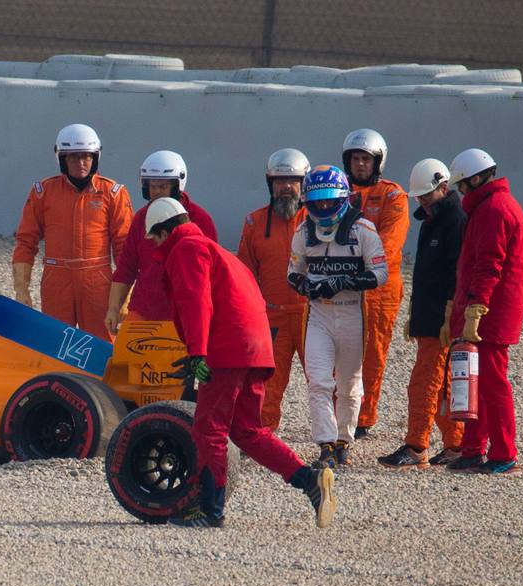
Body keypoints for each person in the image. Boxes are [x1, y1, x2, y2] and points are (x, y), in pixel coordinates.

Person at [144, 196, 337, 529]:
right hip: (257, 346)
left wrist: (197, 353)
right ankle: (309, 480)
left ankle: (210, 511)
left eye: (156, 237)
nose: (156, 245)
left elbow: (196, 302)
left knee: (209, 428)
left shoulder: (185, 249)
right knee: (248, 431)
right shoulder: (216, 251)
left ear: (165, 230)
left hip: (227, 348)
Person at [288, 165, 389, 468]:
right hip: (318, 314)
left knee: (349, 383)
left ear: (342, 197)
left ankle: (345, 438)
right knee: (317, 382)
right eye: (316, 202)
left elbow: (381, 274)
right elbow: (293, 273)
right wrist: (306, 285)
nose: (323, 206)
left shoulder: (363, 230)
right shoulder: (303, 231)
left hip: (352, 313)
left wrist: (345, 282)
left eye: (329, 200)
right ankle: (326, 443)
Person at [442, 148, 523, 475]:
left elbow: (489, 264)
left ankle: (504, 453)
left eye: (462, 185)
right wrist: (459, 306)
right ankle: (473, 449)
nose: (461, 192)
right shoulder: (489, 207)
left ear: (476, 179)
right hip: (486, 306)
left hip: (491, 310)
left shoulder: (494, 210)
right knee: (476, 382)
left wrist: (476, 308)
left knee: (492, 384)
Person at [377, 159, 466, 469]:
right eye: (419, 197)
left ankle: (416, 447)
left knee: (424, 383)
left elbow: (457, 271)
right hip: (431, 315)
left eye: (426, 196)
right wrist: (416, 314)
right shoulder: (437, 218)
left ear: (444, 187)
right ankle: (456, 445)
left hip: (441, 318)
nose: (422, 202)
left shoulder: (453, 219)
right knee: (442, 385)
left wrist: (449, 313)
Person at [13, 124, 132, 340]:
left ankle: (100, 376)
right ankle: (56, 376)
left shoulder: (113, 193)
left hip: (97, 278)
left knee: (101, 345)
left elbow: (125, 249)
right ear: (62, 159)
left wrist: (123, 298)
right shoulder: (43, 192)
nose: (81, 163)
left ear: (95, 157)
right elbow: (25, 241)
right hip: (56, 278)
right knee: (55, 343)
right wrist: (21, 289)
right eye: (73, 157)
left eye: (86, 156)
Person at [236, 148, 310, 432]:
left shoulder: (319, 220)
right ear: (270, 184)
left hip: (311, 315)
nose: (286, 187)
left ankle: (334, 440)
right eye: (280, 181)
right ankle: (260, 435)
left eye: (292, 181)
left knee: (323, 381)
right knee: (264, 382)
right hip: (271, 317)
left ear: (303, 184)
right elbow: (245, 274)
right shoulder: (254, 222)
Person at [341, 128, 409, 439]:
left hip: (379, 287)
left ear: (377, 161)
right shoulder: (337, 191)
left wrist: (355, 263)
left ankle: (364, 418)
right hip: (343, 282)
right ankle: (342, 411)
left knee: (373, 354)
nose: (360, 164)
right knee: (338, 352)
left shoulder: (393, 195)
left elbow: (390, 242)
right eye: (355, 159)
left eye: (365, 159)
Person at [106, 150, 217, 333]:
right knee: (127, 360)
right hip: (143, 310)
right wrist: (113, 308)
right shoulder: (141, 217)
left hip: (183, 317)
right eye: (152, 186)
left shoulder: (200, 219)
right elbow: (126, 267)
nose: (156, 192)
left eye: (163, 186)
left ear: (177, 185)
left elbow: (211, 275)